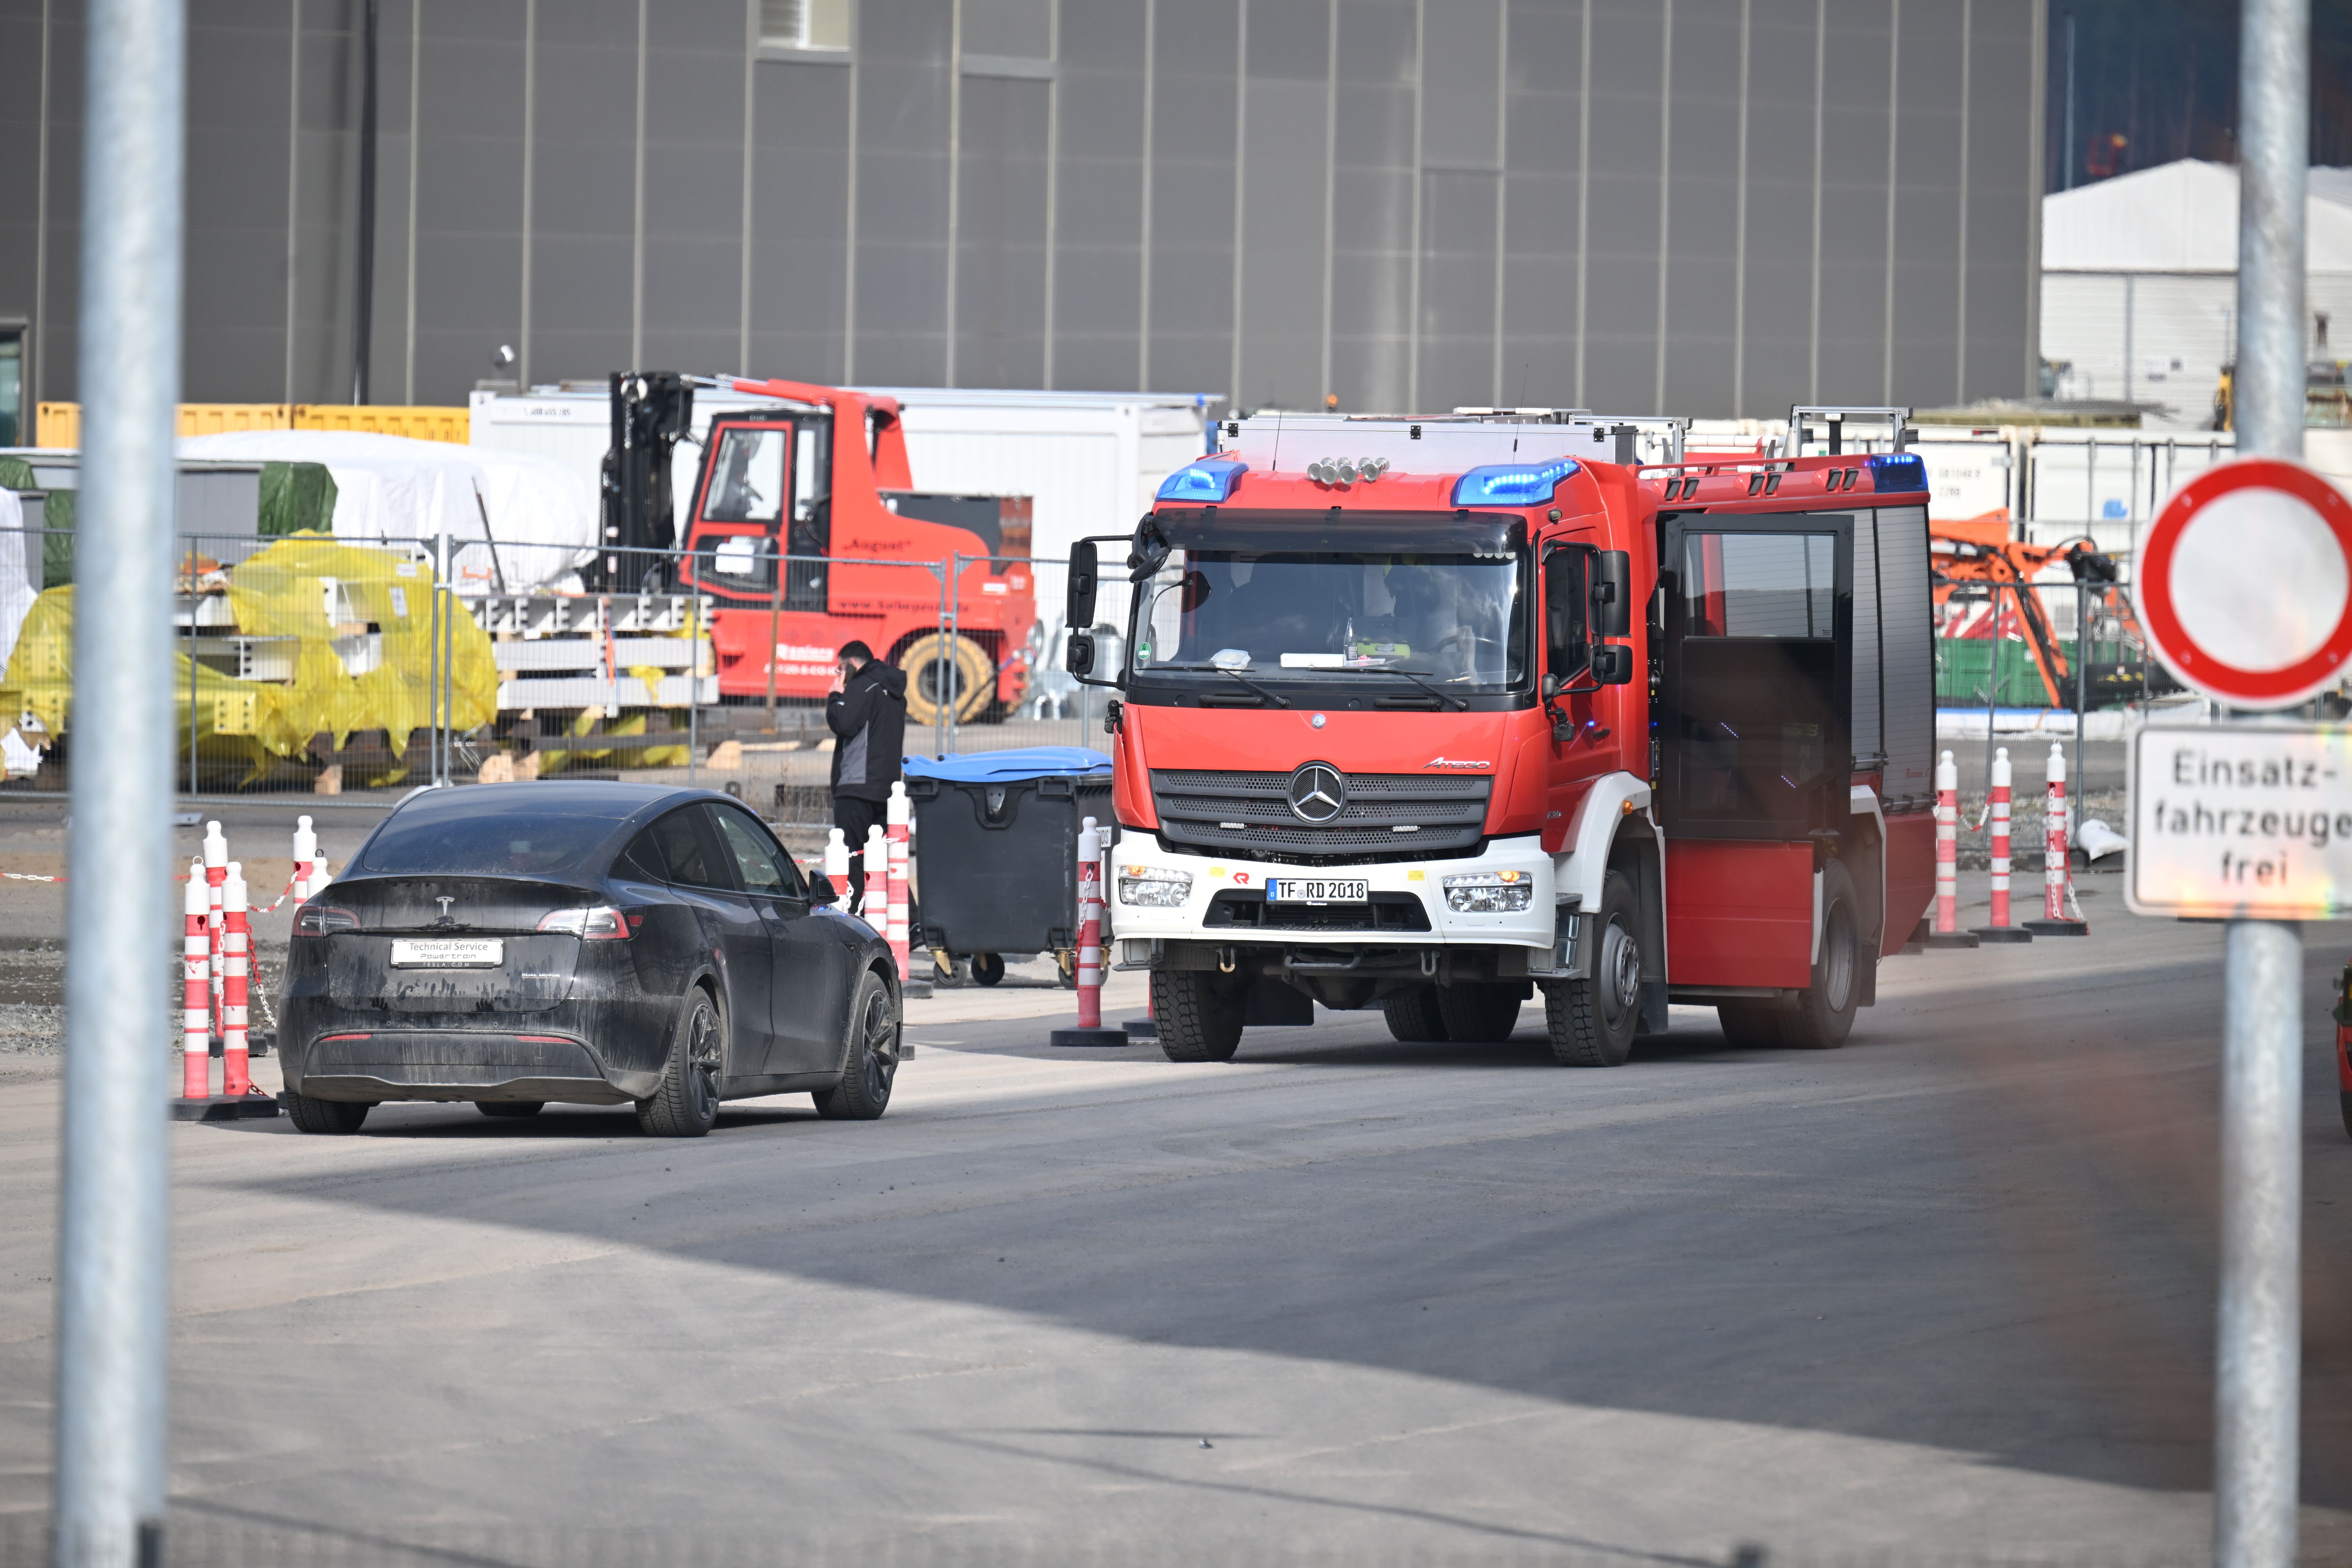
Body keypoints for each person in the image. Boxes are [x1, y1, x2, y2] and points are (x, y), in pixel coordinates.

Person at [826, 640, 907, 912]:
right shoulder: (894, 692)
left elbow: (843, 723)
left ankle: (850, 918)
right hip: (885, 787)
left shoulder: (863, 684)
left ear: (851, 665)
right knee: (881, 858)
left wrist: (835, 697)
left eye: (840, 671)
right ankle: (911, 920)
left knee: (851, 856)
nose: (838, 677)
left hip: (857, 786)